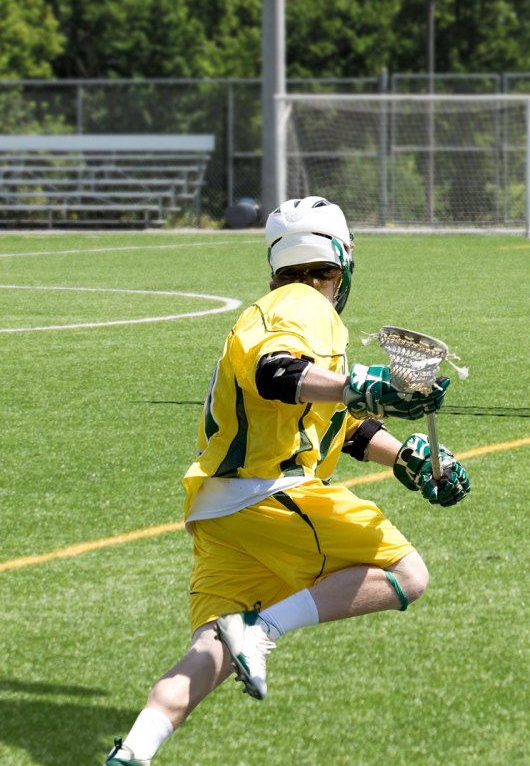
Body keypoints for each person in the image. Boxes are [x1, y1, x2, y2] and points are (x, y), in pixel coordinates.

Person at [106, 196, 470, 765]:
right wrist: (364, 384)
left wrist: (405, 459)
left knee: (211, 650)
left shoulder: (286, 307)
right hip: (266, 494)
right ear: (342, 257)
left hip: (218, 512)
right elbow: (278, 373)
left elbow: (334, 425)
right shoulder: (304, 303)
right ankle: (264, 627)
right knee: (407, 574)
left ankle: (133, 751)